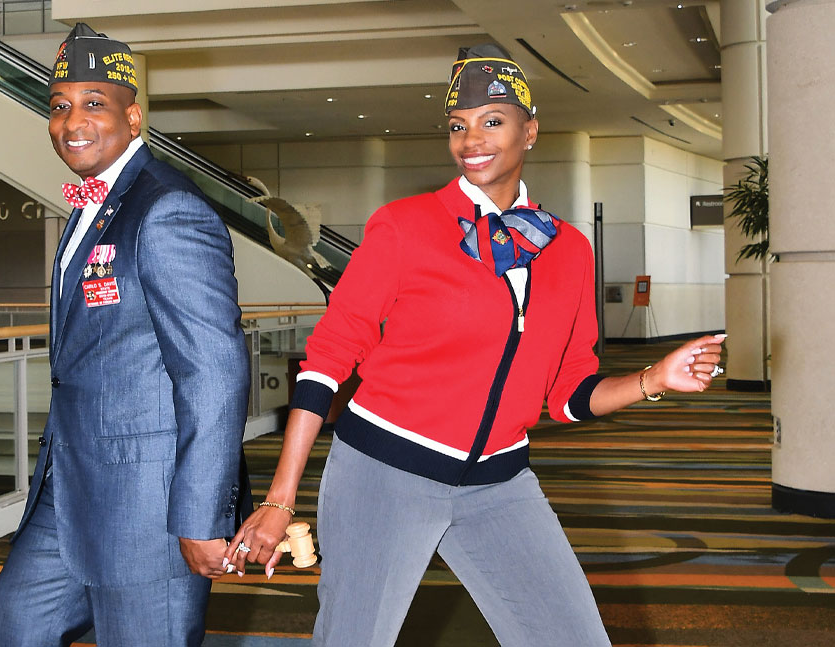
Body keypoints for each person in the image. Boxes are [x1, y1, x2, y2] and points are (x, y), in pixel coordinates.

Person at [225, 44, 726, 646]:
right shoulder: (405, 226)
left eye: (492, 121)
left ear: (529, 130)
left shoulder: (567, 251)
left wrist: (654, 379)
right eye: (458, 127)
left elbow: (569, 394)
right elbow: (328, 359)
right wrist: (281, 498)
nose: (471, 140)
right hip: (384, 474)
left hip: (500, 483)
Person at [0, 24, 250, 647]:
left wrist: (202, 514)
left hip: (148, 501)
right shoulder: (93, 206)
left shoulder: (166, 210)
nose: (72, 121)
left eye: (94, 103)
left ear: (133, 117)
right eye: (59, 106)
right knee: (13, 622)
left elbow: (212, 369)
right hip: (71, 486)